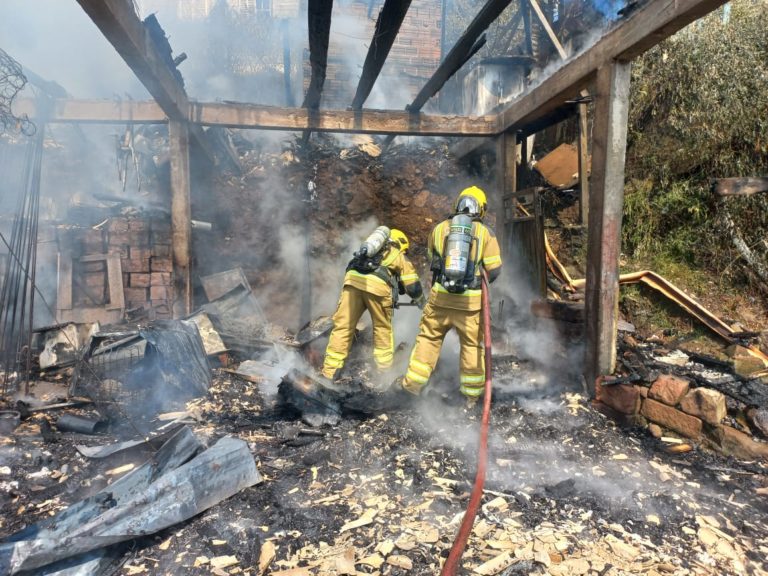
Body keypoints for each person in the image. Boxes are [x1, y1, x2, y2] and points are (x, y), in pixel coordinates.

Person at [399, 186, 502, 403]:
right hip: (470, 304)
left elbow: (433, 259)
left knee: (428, 339)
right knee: (471, 346)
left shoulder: (439, 229)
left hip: (441, 297)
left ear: (457, 205)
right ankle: (471, 397)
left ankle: (412, 386)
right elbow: (494, 270)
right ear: (481, 209)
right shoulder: (485, 233)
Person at [321, 227, 425, 381]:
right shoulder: (397, 254)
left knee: (343, 327)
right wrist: (421, 300)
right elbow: (413, 286)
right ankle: (383, 373)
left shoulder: (367, 251)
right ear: (401, 243)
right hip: (377, 288)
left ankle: (329, 372)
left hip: (352, 282)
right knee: (382, 329)